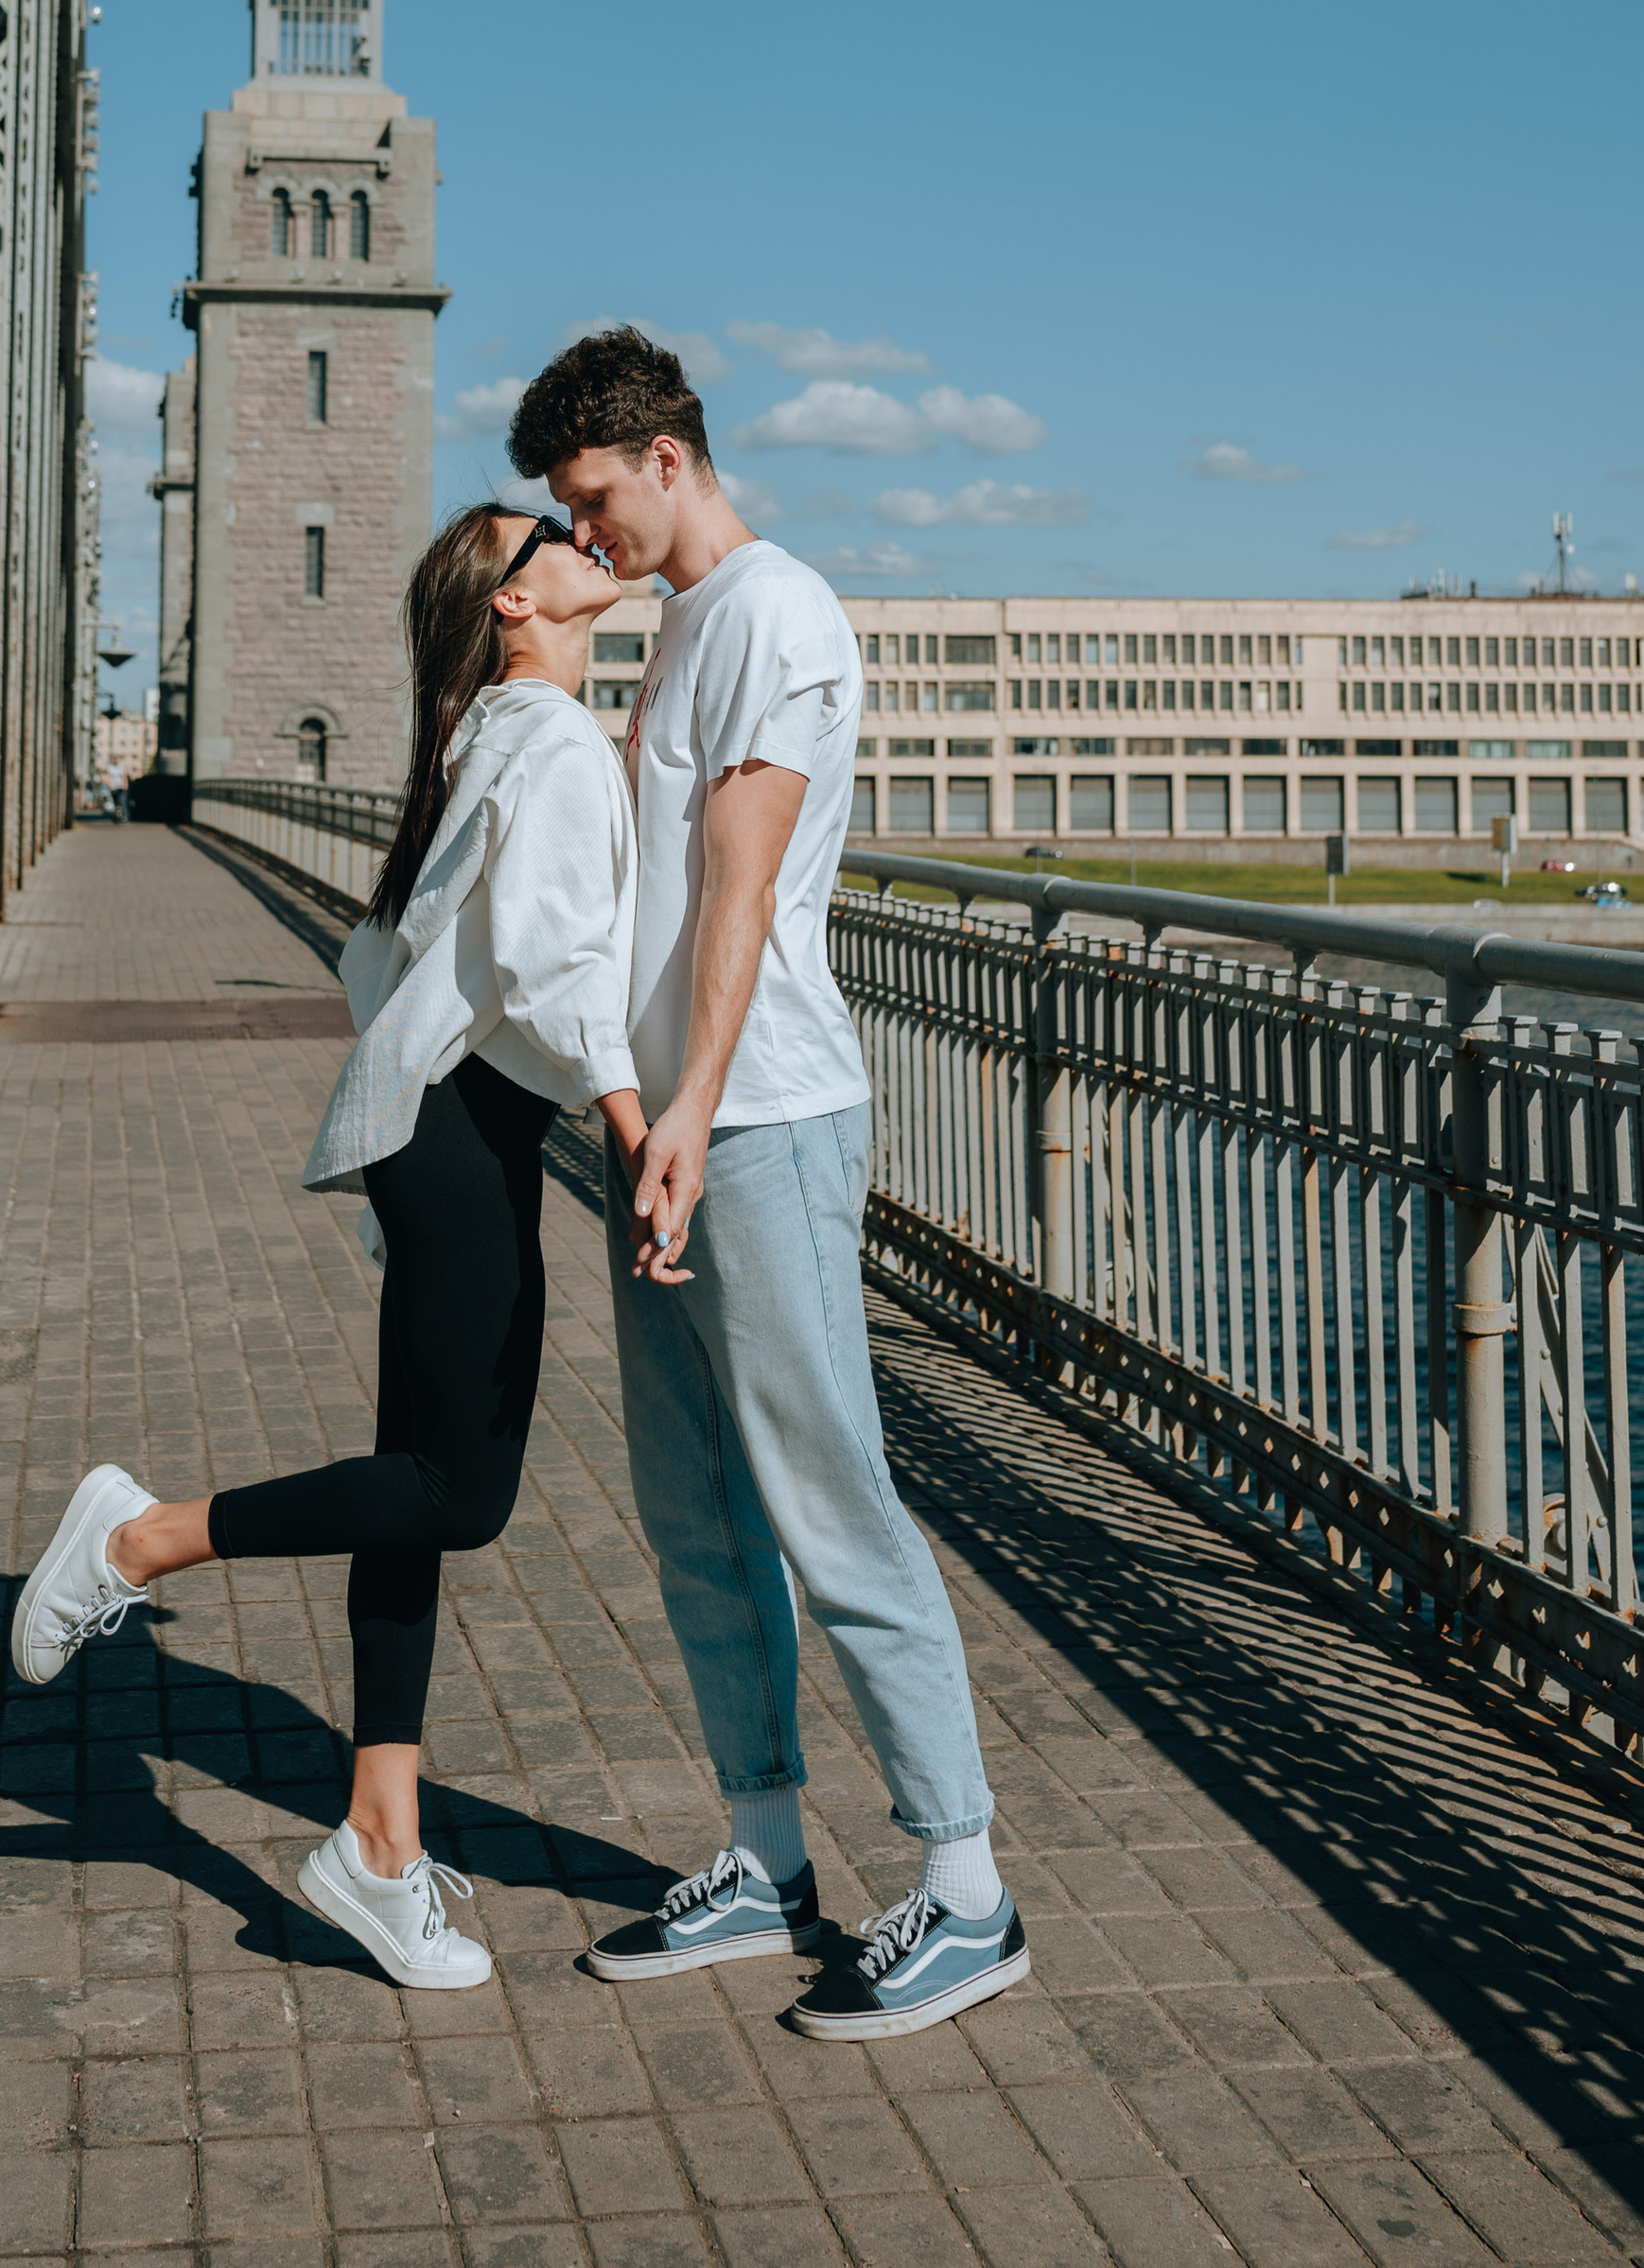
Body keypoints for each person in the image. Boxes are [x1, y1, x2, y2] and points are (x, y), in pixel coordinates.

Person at [10, 502, 656, 1990]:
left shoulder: (493, 731)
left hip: (446, 1131)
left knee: (412, 1500)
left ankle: (375, 1845)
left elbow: (418, 949)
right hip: (471, 1136)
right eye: (547, 535)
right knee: (458, 1493)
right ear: (512, 604)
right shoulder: (544, 741)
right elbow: (558, 966)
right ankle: (135, 1537)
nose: (577, 535)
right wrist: (635, 1137)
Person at [507, 327, 1027, 2041]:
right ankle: (766, 1855)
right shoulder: (675, 627)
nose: (585, 538)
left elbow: (738, 894)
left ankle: (965, 1888)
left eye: (592, 502)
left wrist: (693, 1105)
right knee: (696, 1513)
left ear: (667, 455)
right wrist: (640, 1109)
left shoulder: (778, 615)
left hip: (761, 1122)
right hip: (668, 1128)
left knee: (829, 1500)